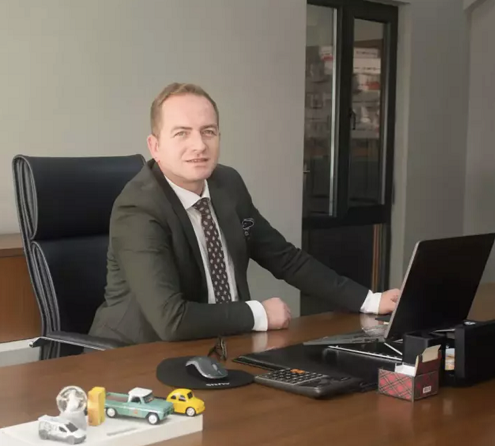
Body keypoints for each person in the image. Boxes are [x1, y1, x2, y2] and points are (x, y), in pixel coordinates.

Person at [89, 82, 400, 345]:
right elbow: (172, 320)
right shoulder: (138, 209)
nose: (199, 145)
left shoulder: (227, 184)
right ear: (155, 146)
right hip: (132, 359)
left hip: (218, 345)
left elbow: (284, 257)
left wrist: (369, 300)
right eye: (182, 133)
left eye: (208, 131)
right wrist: (259, 314)